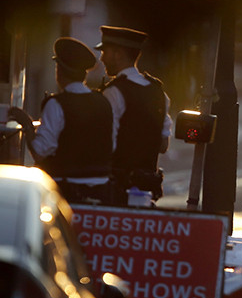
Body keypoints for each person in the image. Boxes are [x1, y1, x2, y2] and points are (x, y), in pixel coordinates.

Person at [9, 38, 115, 203]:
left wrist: (27, 125)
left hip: (65, 190)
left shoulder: (56, 104)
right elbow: (111, 145)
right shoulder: (103, 102)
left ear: (59, 70)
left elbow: (40, 152)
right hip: (101, 188)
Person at [96, 25, 173, 205]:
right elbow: (163, 145)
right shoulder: (158, 92)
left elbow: (107, 145)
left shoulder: (114, 92)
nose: (102, 58)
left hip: (116, 190)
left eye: (104, 52)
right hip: (146, 190)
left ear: (118, 54)